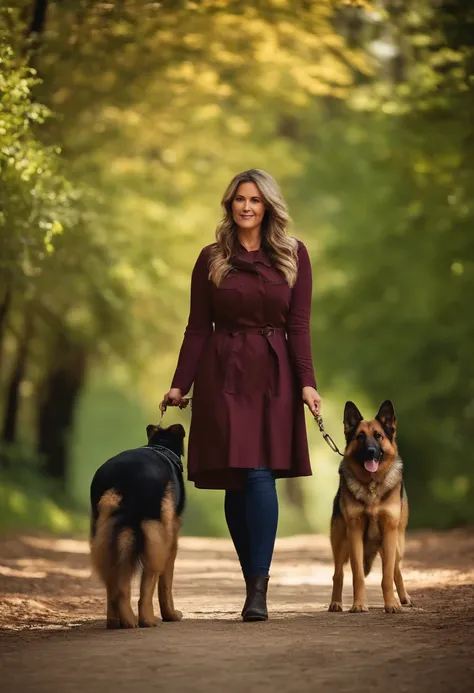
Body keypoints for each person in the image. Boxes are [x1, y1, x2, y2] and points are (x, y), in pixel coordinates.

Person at [162, 169, 321, 622]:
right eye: (239, 199)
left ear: (268, 205)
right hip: (223, 372)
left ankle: (258, 588)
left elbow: (300, 325)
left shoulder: (294, 255)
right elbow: (197, 328)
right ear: (230, 205)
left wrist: (307, 381)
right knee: (237, 475)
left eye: (255, 199)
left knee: (259, 474)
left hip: (274, 373)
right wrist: (180, 383)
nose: (246, 206)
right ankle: (250, 576)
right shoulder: (212, 258)